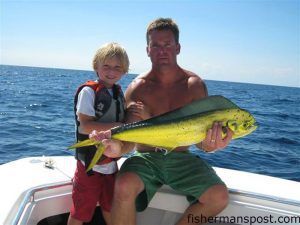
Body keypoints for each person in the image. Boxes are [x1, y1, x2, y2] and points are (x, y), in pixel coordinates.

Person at [90, 18, 233, 225]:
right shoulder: (137, 87)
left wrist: (213, 145)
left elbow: (202, 142)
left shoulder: (194, 86)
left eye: (167, 44)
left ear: (178, 47)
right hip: (146, 158)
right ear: (148, 50)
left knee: (219, 197)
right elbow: (130, 138)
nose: (161, 50)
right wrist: (116, 149)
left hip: (182, 158)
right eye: (155, 45)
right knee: (123, 186)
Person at [67, 42, 147, 225]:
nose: (111, 71)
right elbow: (84, 126)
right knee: (81, 212)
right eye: (106, 66)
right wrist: (120, 126)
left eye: (117, 67)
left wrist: (131, 111)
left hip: (110, 165)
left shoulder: (118, 92)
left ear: (125, 71)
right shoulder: (88, 92)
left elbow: (115, 113)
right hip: (89, 166)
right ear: (96, 67)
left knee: (110, 207)